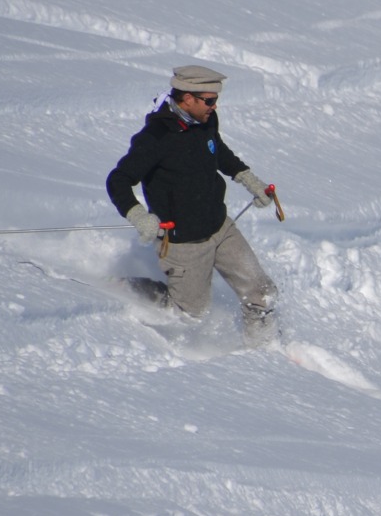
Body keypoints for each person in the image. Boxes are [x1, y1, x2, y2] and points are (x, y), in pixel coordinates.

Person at [106, 64, 279, 344]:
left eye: (216, 100)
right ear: (188, 98)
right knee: (189, 314)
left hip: (220, 226)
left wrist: (247, 178)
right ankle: (123, 288)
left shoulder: (206, 121)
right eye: (209, 100)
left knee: (262, 291)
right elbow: (118, 180)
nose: (214, 106)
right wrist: (138, 215)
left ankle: (267, 351)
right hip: (183, 241)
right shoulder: (155, 138)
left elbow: (216, 150)